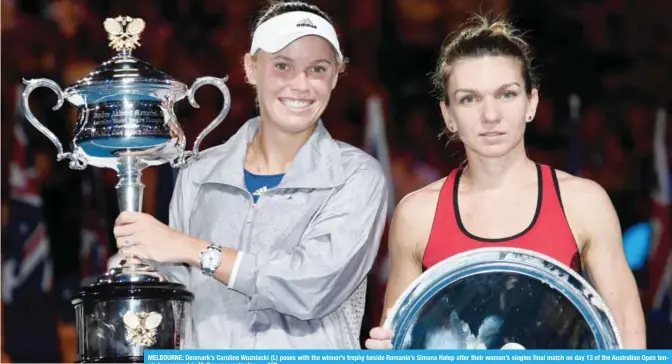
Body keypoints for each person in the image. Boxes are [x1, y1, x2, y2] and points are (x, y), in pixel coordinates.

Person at [112, 1, 389, 349]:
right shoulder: (199, 172)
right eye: (282, 66)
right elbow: (179, 295)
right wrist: (137, 266)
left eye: (317, 69)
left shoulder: (357, 176)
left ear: (335, 74)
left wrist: (195, 250)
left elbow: (311, 287)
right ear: (251, 67)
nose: (300, 85)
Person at [365, 16, 646, 350]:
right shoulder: (417, 214)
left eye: (506, 95)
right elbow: (401, 336)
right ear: (448, 115)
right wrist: (385, 349)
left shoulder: (583, 203)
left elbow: (627, 331)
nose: (490, 115)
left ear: (532, 103)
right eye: (470, 98)